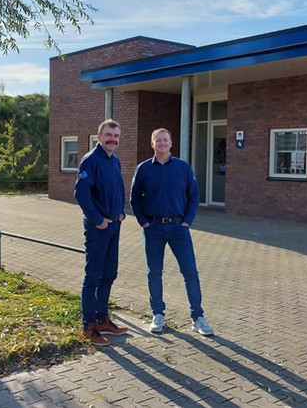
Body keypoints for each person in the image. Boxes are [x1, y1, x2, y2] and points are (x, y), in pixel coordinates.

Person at [130, 128, 214, 336]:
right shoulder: (143, 169)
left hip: (178, 228)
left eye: (165, 140)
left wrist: (187, 221)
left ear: (171, 143)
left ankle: (197, 317)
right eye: (158, 140)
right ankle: (158, 315)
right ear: (152, 144)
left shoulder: (183, 167)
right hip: (153, 228)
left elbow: (194, 196)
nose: (162, 143)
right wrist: (144, 222)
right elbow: (134, 198)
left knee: (190, 272)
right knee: (154, 273)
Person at [74, 119, 128, 346]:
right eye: (108, 135)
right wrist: (98, 220)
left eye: (116, 136)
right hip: (98, 228)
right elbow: (81, 194)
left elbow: (118, 189)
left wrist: (121, 212)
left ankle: (102, 318)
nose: (112, 139)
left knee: (109, 274)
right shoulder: (91, 160)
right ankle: (88, 326)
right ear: (99, 137)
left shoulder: (114, 160)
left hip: (114, 226)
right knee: (93, 277)